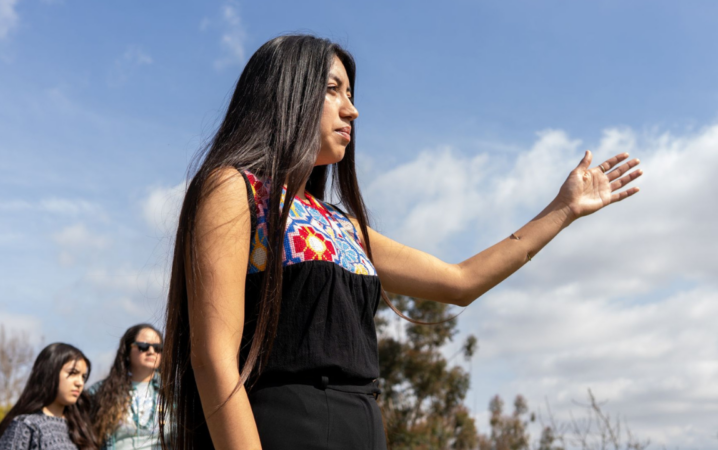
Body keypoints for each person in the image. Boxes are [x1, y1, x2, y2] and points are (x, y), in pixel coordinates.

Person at [159, 35, 642, 450]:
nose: (353, 109)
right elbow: (214, 358)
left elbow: (461, 282)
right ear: (285, 93)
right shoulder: (235, 189)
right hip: (283, 428)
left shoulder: (342, 225)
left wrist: (563, 209)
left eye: (351, 93)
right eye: (333, 90)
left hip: (365, 429)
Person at [0, 342, 97, 450]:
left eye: (83, 377)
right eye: (73, 373)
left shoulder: (81, 428)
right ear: (50, 372)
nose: (80, 383)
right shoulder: (25, 426)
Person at [89, 324, 163, 450]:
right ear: (127, 350)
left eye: (157, 348)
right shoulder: (102, 391)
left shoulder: (173, 393)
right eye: (143, 346)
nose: (151, 351)